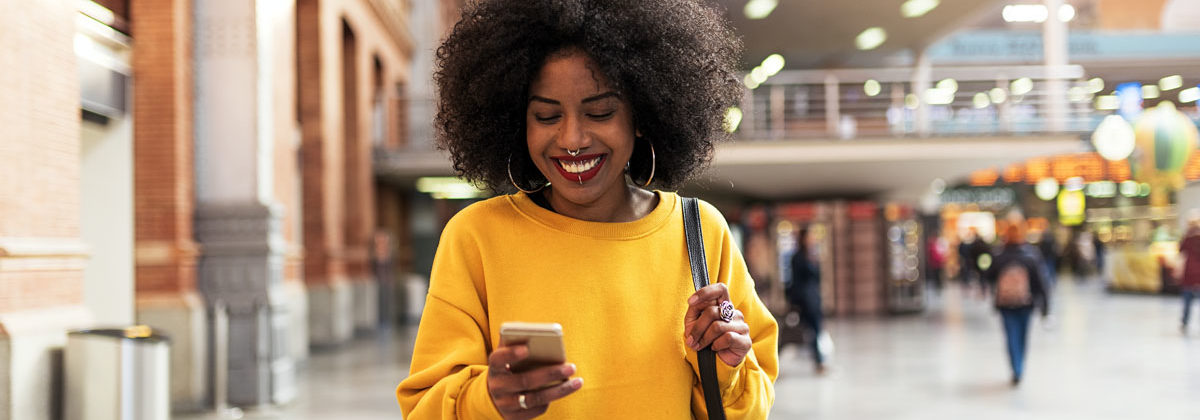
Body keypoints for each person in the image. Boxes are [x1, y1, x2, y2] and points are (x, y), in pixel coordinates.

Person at [395, 1, 778, 418]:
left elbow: (750, 407)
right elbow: (424, 407)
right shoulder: (476, 237)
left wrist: (727, 365)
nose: (572, 138)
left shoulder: (701, 232)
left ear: (642, 115)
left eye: (600, 112)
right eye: (546, 115)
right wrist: (487, 400)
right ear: (516, 121)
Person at [984, 224, 1050, 386]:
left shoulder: (999, 255)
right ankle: (1020, 367)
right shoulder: (1031, 255)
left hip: (1005, 303)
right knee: (1022, 336)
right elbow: (1041, 283)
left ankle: (1016, 368)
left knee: (1010, 335)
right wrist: (1045, 307)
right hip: (1025, 303)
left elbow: (989, 276)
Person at [786, 227, 827, 373]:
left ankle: (820, 361)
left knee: (814, 330)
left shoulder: (810, 255)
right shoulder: (798, 257)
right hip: (805, 300)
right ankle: (820, 361)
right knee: (811, 330)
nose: (813, 240)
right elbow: (795, 281)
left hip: (813, 299)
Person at [1178, 216, 1200, 334]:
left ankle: (1185, 322)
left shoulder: (1187, 237)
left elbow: (1180, 249)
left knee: (1187, 301)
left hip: (1189, 274)